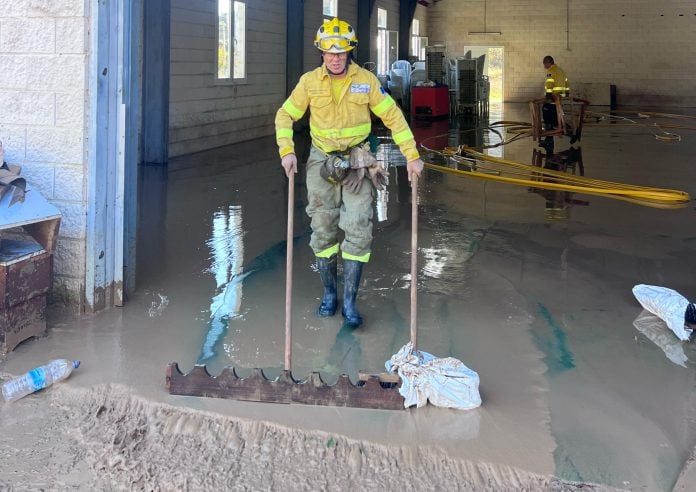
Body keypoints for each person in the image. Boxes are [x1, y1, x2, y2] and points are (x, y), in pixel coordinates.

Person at [275, 18, 424, 328]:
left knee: (357, 227)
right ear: (321, 53)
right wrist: (287, 151)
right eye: (329, 53)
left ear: (350, 52)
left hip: (359, 162)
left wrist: (412, 156)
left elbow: (393, 117)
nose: (335, 58)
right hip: (321, 160)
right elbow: (285, 115)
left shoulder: (366, 81)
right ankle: (330, 294)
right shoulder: (309, 83)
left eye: (341, 53)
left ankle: (351, 301)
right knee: (323, 226)